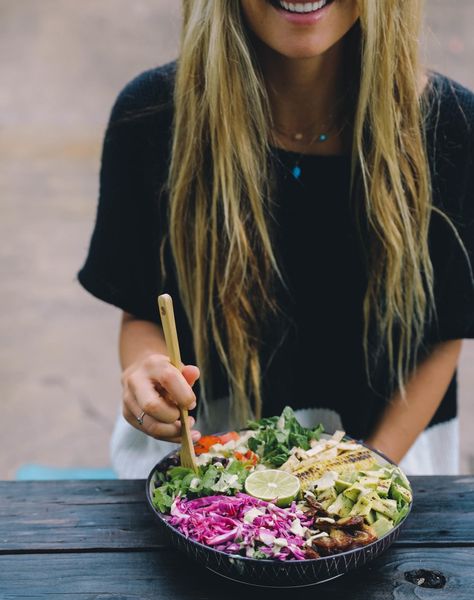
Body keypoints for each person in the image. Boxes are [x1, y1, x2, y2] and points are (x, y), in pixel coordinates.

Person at [78, 0, 474, 479]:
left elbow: (445, 332)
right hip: (204, 466)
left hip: (394, 457)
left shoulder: (453, 126)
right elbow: (142, 309)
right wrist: (146, 376)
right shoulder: (149, 115)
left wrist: (366, 472)